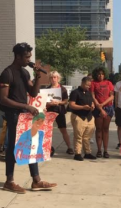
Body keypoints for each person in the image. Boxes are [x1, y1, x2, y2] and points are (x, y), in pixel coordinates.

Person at [0, 42, 56, 194]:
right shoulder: (7, 73)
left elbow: (33, 93)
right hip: (13, 115)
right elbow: (3, 99)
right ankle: (9, 181)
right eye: (26, 57)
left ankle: (36, 180)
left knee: (31, 146)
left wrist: (37, 76)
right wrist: (25, 106)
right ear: (18, 56)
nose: (29, 59)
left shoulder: (25, 73)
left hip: (24, 115)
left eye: (30, 56)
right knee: (12, 147)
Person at [46, 71, 74, 155]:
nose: (53, 79)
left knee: (63, 129)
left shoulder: (62, 89)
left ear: (58, 78)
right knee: (48, 130)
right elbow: (44, 101)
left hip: (59, 111)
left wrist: (58, 103)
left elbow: (66, 101)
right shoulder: (47, 89)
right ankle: (48, 147)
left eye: (55, 77)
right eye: (51, 77)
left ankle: (69, 147)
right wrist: (49, 104)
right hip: (49, 111)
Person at [69, 77, 96, 161]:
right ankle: (77, 153)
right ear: (82, 83)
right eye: (87, 85)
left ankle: (87, 152)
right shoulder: (75, 93)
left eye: (89, 85)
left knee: (87, 136)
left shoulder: (89, 93)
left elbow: (92, 102)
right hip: (79, 116)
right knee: (78, 136)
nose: (88, 87)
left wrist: (92, 106)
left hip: (89, 116)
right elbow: (72, 105)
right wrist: (82, 107)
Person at [90, 66, 114, 158]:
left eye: (102, 74)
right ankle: (99, 150)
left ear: (105, 74)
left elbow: (112, 96)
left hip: (108, 107)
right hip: (97, 108)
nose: (100, 75)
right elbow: (93, 96)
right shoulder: (93, 83)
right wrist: (100, 108)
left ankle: (106, 150)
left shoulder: (109, 83)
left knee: (106, 129)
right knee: (99, 129)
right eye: (99, 74)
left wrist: (102, 105)